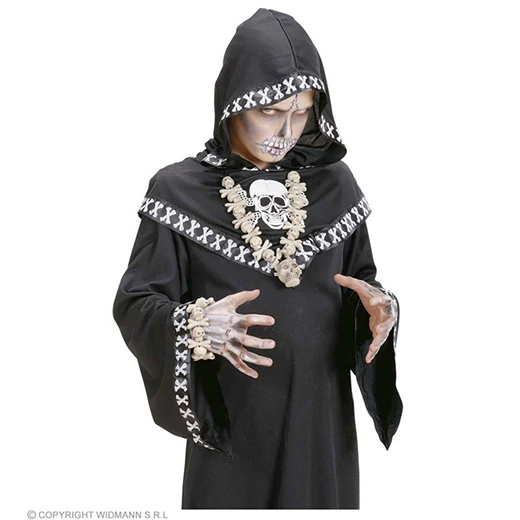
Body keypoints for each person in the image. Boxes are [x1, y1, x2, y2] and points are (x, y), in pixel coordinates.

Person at [112, 7, 403, 509]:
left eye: (302, 111)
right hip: (235, 427)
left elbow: (361, 282)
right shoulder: (179, 191)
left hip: (322, 425)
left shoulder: (334, 186)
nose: (286, 130)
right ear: (234, 103)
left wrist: (379, 312)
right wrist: (194, 325)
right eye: (270, 110)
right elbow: (136, 303)